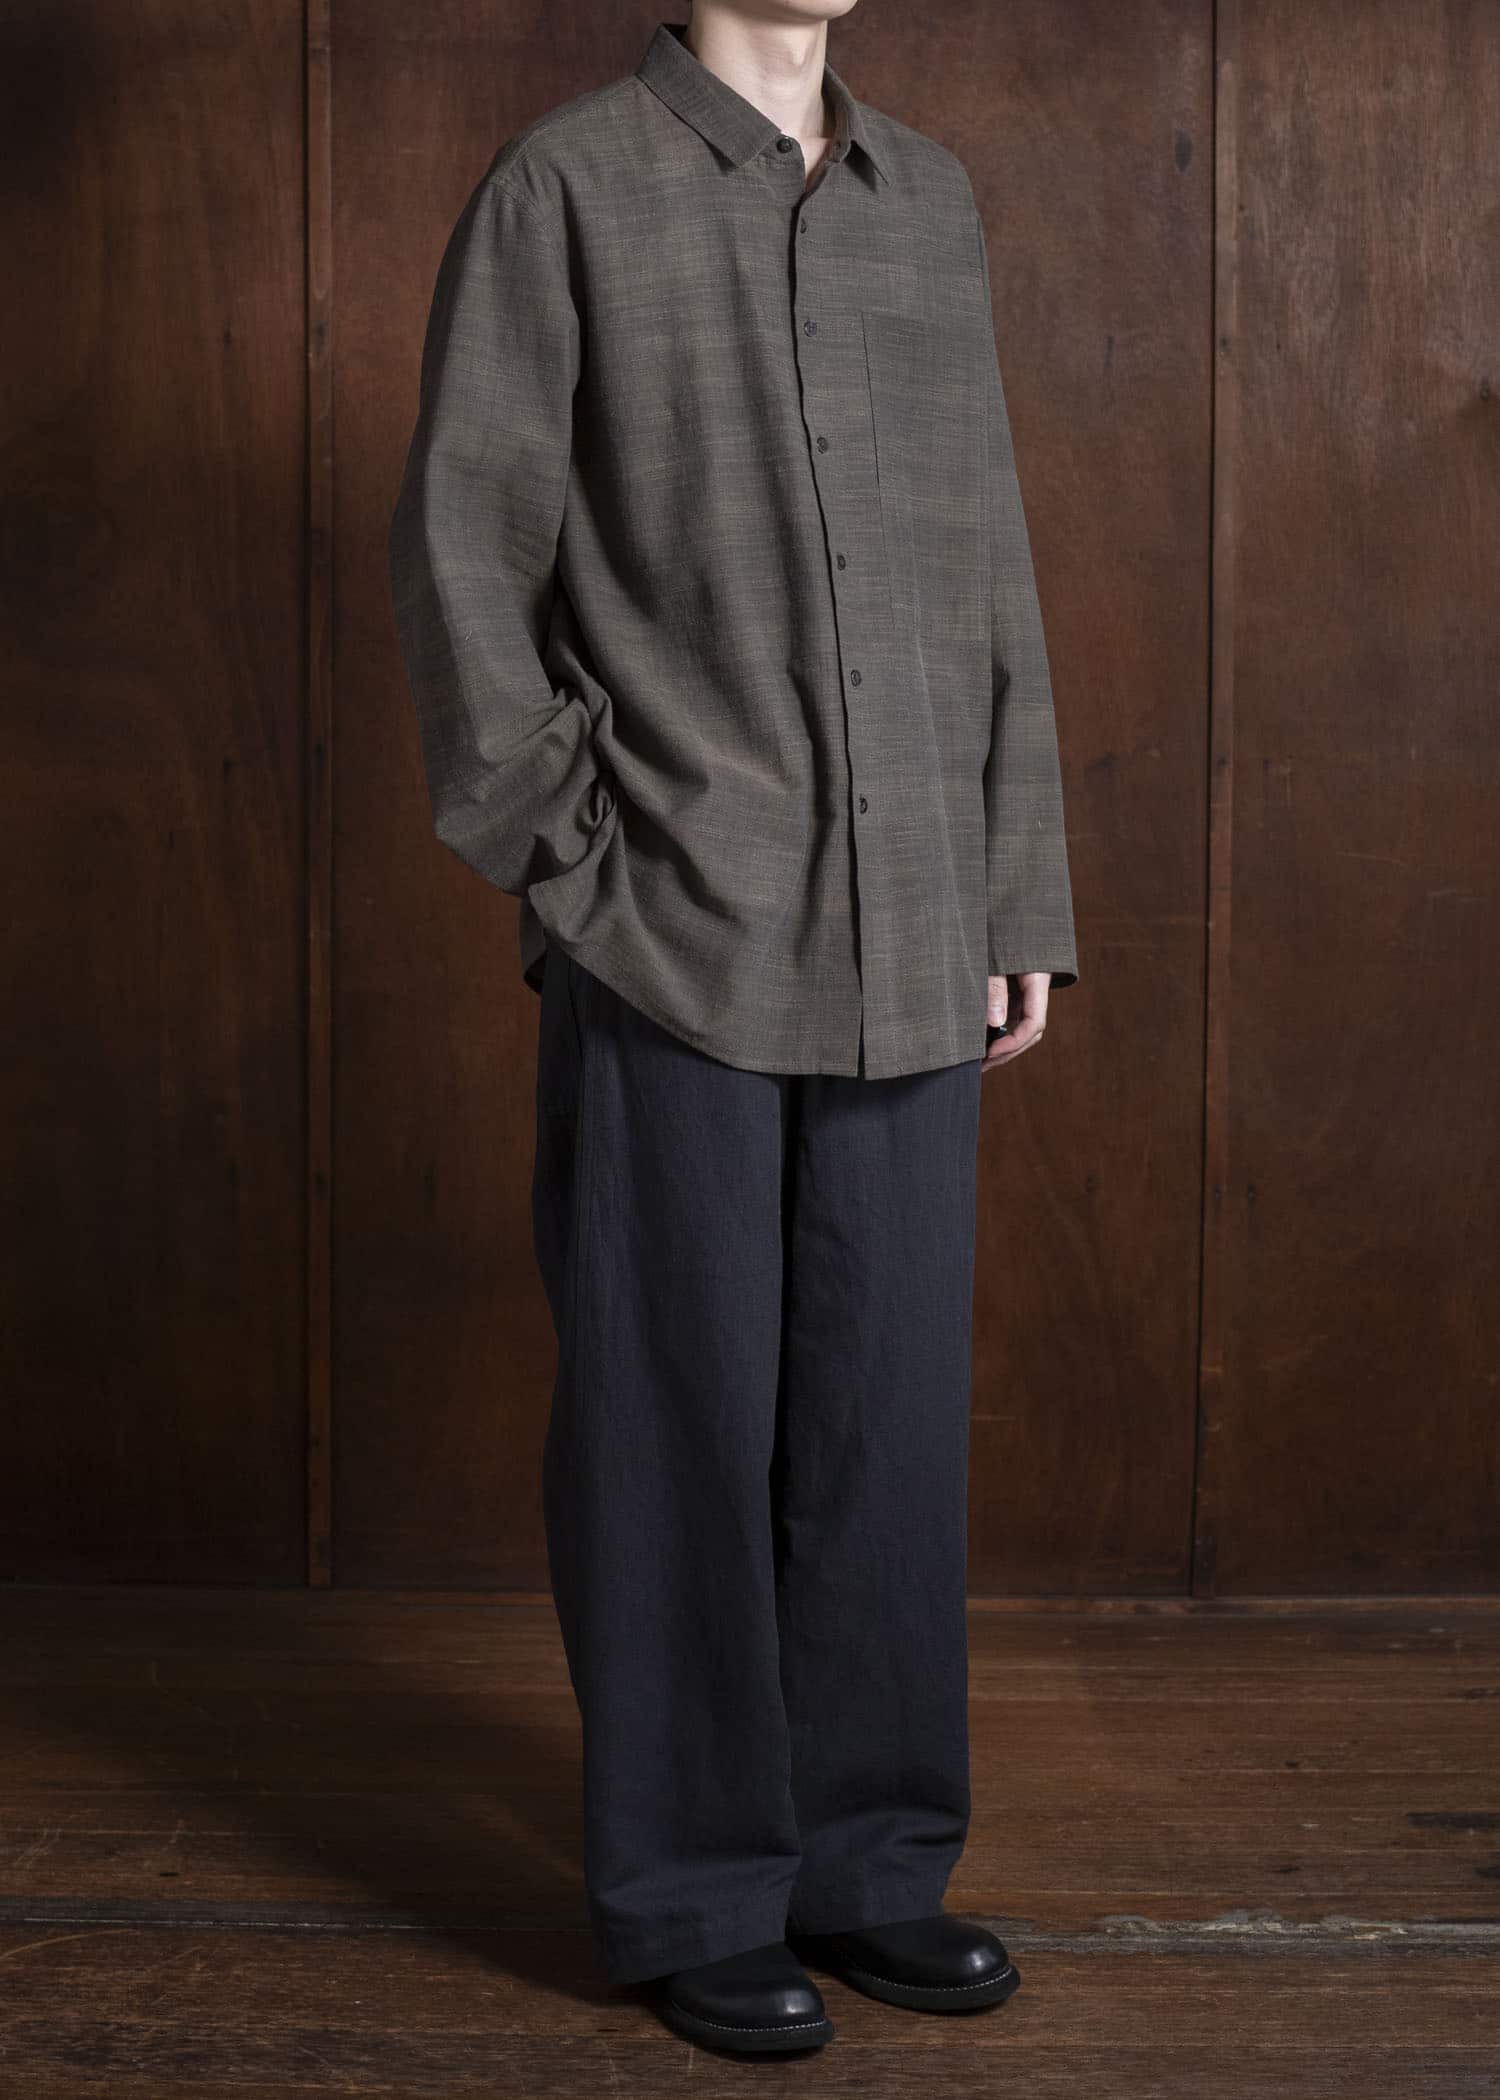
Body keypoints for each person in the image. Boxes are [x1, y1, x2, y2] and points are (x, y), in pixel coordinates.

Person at [388, 0, 1078, 2057]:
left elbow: (989, 564)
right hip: (672, 925)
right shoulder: (565, 186)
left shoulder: (928, 199)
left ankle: (871, 1871)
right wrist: (579, 865)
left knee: (885, 1424)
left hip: (917, 926)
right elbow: (464, 552)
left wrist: (1014, 892)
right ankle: (692, 1892)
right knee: (672, 1421)